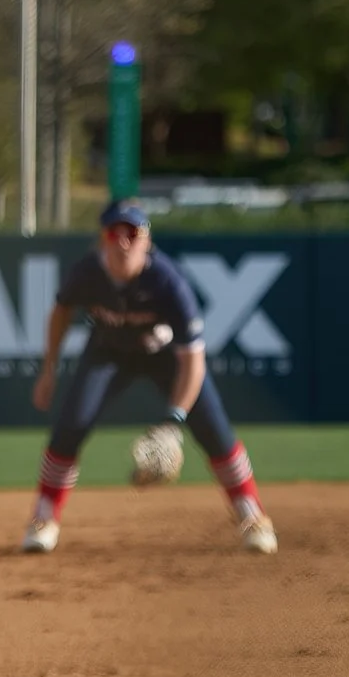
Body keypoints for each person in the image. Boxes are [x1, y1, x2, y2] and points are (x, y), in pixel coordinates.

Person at [23, 199, 277, 554]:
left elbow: (193, 362)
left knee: (213, 429)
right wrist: (48, 369)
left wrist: (174, 420)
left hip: (167, 356)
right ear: (103, 240)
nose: (123, 241)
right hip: (108, 352)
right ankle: (43, 519)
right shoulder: (87, 273)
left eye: (133, 233)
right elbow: (61, 311)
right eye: (115, 232)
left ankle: (253, 516)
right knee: (70, 425)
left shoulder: (168, 282)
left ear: (147, 241)